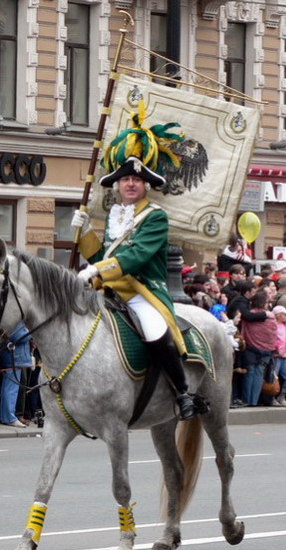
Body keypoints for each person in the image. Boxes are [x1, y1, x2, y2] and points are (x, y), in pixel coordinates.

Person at [71, 103, 204, 420]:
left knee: (154, 328)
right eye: (125, 179)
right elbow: (105, 255)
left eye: (136, 179)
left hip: (142, 291)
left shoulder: (155, 217)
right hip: (109, 290)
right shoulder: (115, 216)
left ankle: (182, 391)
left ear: (146, 185)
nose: (130, 183)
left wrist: (95, 270)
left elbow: (134, 256)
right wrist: (85, 232)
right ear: (117, 185)